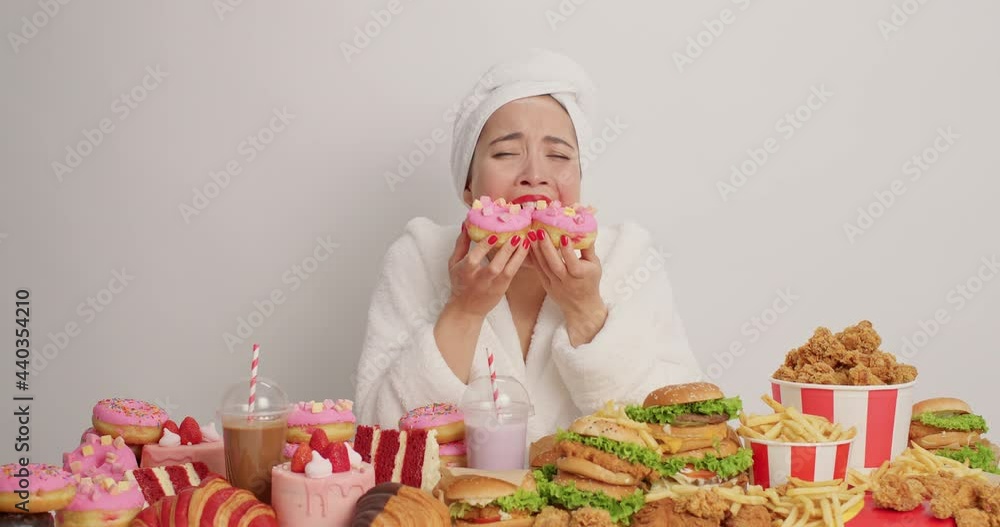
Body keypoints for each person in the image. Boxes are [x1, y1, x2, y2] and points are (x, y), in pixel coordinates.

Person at [355, 49, 702, 443]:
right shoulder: (417, 256)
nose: (535, 176)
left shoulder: (630, 256)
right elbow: (378, 439)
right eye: (505, 153)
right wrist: (464, 310)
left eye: (558, 155)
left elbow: (686, 433)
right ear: (468, 187)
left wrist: (586, 312)